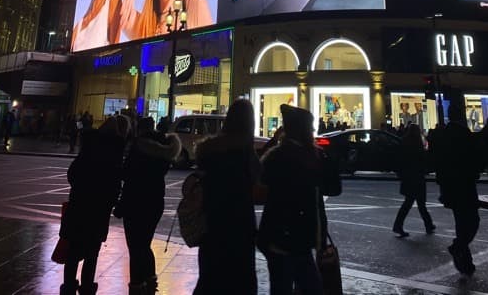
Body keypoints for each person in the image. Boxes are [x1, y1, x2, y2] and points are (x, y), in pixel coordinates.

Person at [257, 103, 342, 294]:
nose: (313, 131)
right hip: (298, 239)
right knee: (310, 287)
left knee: (281, 287)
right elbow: (334, 188)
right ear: (304, 130)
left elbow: (260, 180)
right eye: (310, 128)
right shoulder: (314, 158)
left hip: (276, 237)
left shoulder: (275, 157)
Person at [192, 98, 263, 295]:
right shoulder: (245, 152)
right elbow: (258, 186)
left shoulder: (209, 149)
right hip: (239, 225)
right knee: (241, 281)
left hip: (212, 222)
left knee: (210, 278)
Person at [59, 115, 131, 295]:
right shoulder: (115, 153)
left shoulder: (89, 147)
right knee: (92, 253)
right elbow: (115, 185)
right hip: (98, 210)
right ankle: (87, 287)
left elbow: (72, 174)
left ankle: (68, 287)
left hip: (79, 205)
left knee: (73, 252)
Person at [116, 115, 182, 294]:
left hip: (134, 200)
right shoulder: (164, 151)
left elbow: (126, 173)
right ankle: (150, 280)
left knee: (135, 246)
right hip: (154, 201)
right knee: (145, 243)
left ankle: (137, 284)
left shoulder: (138, 148)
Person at [432, 103, 484, 277]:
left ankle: (465, 262)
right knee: (471, 221)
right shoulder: (463, 134)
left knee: (462, 223)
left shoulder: (444, 134)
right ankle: (459, 248)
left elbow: (437, 161)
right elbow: (474, 157)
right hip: (464, 184)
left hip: (451, 186)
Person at [392, 123, 436, 237]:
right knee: (419, 203)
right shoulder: (416, 143)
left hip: (409, 177)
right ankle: (428, 224)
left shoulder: (405, 142)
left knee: (410, 203)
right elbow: (421, 159)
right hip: (416, 177)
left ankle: (428, 224)